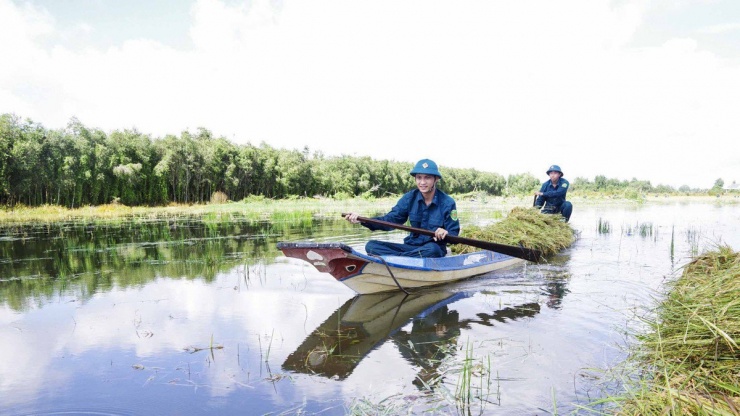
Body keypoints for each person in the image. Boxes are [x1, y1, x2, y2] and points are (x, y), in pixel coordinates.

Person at [345, 158, 460, 257]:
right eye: (419, 177)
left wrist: (446, 232)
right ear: (415, 179)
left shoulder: (448, 202)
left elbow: (454, 233)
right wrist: (361, 219)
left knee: (433, 250)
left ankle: (397, 259)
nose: (422, 182)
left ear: (436, 179)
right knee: (371, 246)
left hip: (431, 250)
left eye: (427, 178)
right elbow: (389, 220)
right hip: (411, 248)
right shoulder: (409, 198)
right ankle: (405, 258)